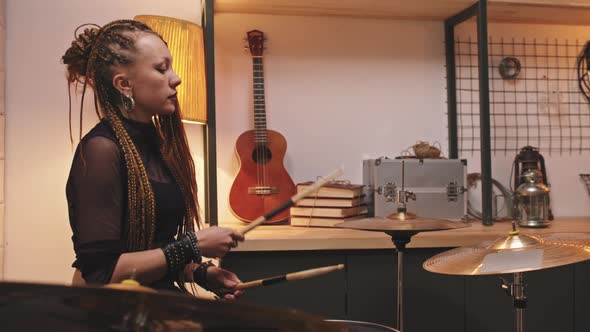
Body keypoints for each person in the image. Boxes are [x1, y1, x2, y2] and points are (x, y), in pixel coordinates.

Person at [62, 19, 244, 299]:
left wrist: (201, 273)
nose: (176, 78)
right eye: (161, 68)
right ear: (124, 84)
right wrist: (192, 244)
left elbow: (152, 248)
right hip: (110, 311)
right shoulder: (101, 150)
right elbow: (102, 273)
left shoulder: (157, 145)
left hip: (153, 304)